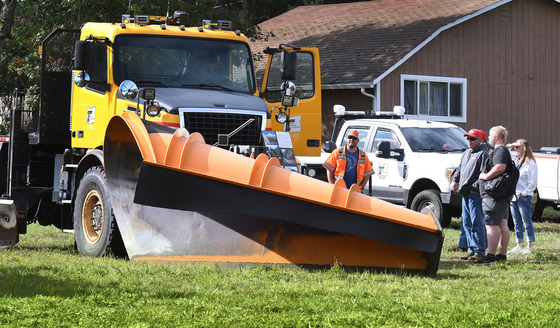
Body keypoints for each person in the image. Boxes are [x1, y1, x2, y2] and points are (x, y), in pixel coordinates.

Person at [450, 129, 489, 262]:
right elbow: (459, 169)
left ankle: (480, 250)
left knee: (476, 222)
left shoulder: (484, 154)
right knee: (466, 222)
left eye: (472, 138)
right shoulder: (467, 153)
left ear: (481, 140)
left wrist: (474, 188)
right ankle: (471, 249)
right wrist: (454, 180)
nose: (469, 141)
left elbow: (485, 174)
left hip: (474, 194)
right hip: (465, 193)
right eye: (468, 138)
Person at [478, 125, 512, 264]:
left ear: (496, 137)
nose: (489, 138)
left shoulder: (500, 151)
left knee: (491, 225)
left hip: (494, 195)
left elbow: (500, 167)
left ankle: (491, 256)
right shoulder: (503, 150)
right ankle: (501, 256)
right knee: (502, 223)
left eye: (490, 135)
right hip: (502, 195)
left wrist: (485, 176)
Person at [507, 139, 538, 255]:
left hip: (523, 196)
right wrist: (511, 145)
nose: (515, 149)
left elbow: (533, 182)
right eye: (514, 148)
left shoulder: (530, 163)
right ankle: (519, 244)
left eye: (517, 147)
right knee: (516, 222)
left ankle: (529, 246)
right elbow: (504, 150)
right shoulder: (516, 161)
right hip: (514, 196)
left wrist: (525, 192)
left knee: (526, 221)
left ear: (523, 148)